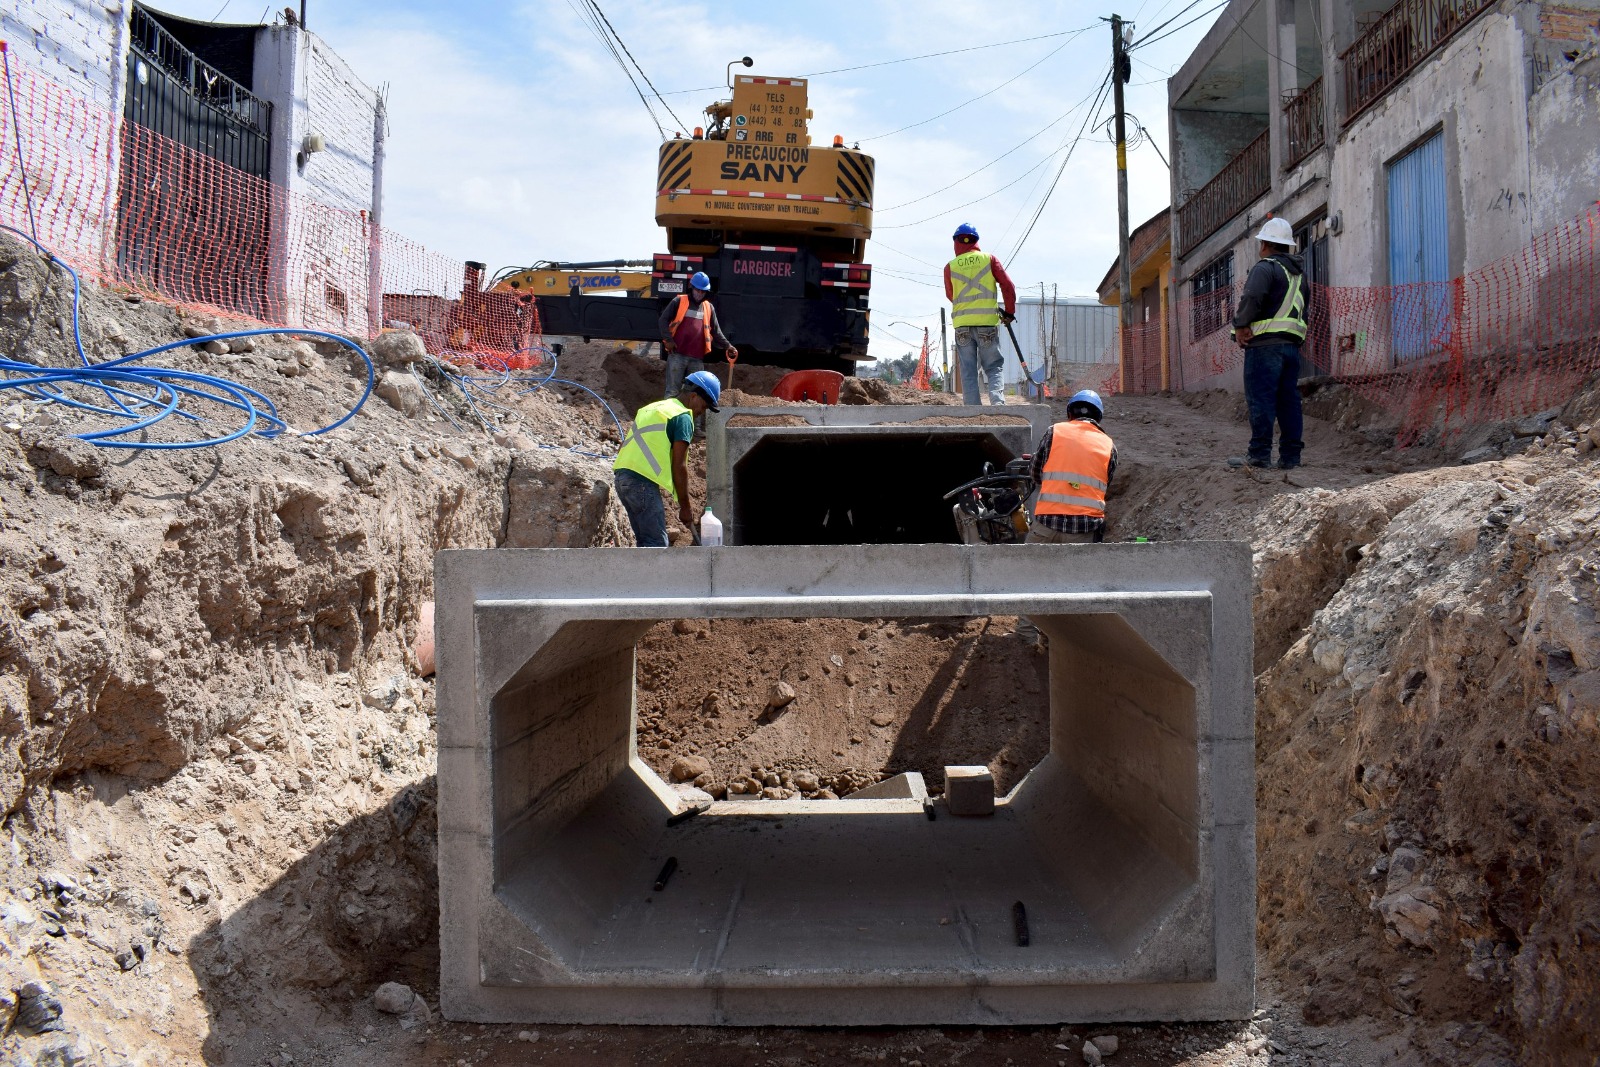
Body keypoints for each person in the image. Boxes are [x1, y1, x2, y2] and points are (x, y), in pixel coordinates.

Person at [1228, 217, 1309, 470]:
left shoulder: (1265, 268)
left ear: (1265, 243)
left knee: (1261, 399)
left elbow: (1252, 298)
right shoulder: (1298, 276)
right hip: (1291, 348)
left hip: (1264, 348)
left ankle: (1260, 454)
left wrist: (1241, 326)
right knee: (1288, 402)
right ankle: (1290, 458)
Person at [613, 370, 721, 547]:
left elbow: (626, 443)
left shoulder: (654, 407)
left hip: (622, 479)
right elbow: (679, 466)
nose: (703, 411)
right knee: (656, 545)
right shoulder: (683, 416)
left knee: (645, 542)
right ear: (693, 396)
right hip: (641, 483)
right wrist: (685, 507)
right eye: (705, 405)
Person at [1025, 389, 1116, 545]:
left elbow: (1034, 473)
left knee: (1025, 566)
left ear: (1070, 414)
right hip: (1084, 530)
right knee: (1081, 570)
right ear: (1098, 417)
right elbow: (1104, 485)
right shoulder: (1109, 445)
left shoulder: (1054, 432)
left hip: (1047, 525)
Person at [944, 223, 1017, 406]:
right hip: (987, 325)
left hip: (962, 327)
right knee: (993, 367)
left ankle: (973, 413)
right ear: (976, 241)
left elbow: (950, 295)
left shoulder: (950, 267)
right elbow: (1008, 286)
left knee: (968, 372)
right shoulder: (989, 259)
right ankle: (998, 407)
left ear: (956, 242)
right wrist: (1009, 312)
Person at [658, 271, 738, 399]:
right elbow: (663, 320)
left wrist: (728, 346)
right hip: (677, 354)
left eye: (703, 291)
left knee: (694, 395)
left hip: (696, 358)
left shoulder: (708, 307)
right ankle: (671, 419)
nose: (700, 294)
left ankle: (691, 419)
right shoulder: (679, 301)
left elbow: (716, 331)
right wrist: (668, 339)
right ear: (692, 287)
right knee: (672, 392)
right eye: (698, 290)